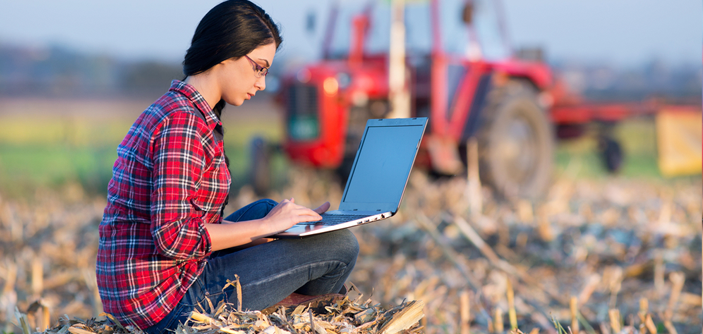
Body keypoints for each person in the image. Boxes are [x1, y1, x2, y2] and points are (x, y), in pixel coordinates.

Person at [95, 1, 359, 333]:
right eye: (259, 67)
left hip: (159, 284)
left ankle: (285, 301)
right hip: (164, 304)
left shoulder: (181, 110)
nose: (262, 83)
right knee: (340, 246)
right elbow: (173, 238)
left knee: (272, 211)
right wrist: (264, 228)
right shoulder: (183, 124)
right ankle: (293, 315)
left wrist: (281, 224)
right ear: (226, 52)